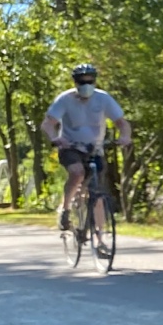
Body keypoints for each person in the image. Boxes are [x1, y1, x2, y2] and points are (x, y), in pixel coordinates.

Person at [41, 64, 132, 230]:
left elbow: (122, 123)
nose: (86, 85)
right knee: (77, 173)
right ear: (75, 83)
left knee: (96, 193)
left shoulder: (103, 99)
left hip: (95, 148)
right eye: (82, 82)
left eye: (90, 81)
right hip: (71, 146)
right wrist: (56, 138)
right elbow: (48, 123)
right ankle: (66, 210)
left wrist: (125, 137)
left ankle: (100, 237)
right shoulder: (65, 99)